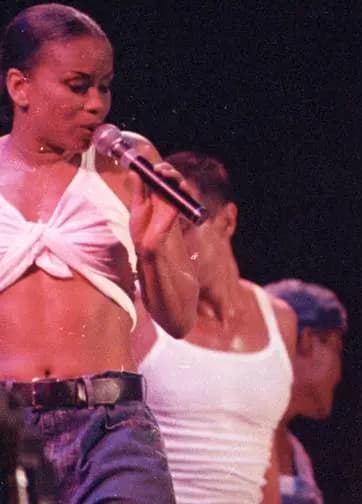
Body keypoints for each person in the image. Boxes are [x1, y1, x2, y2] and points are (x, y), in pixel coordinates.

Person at [0, 4, 198, 503]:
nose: (96, 104)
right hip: (7, 432)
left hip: (112, 430)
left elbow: (179, 320)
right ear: (20, 87)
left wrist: (152, 250)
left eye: (104, 86)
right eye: (78, 85)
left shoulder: (128, 166)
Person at [134, 152, 296, 503]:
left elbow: (264, 461)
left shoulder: (280, 321)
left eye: (184, 227)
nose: (170, 243)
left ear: (227, 221)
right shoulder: (138, 314)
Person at [264, 279, 347, 504]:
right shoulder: (236, 432)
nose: (338, 375)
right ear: (307, 340)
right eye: (336, 350)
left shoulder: (297, 456)